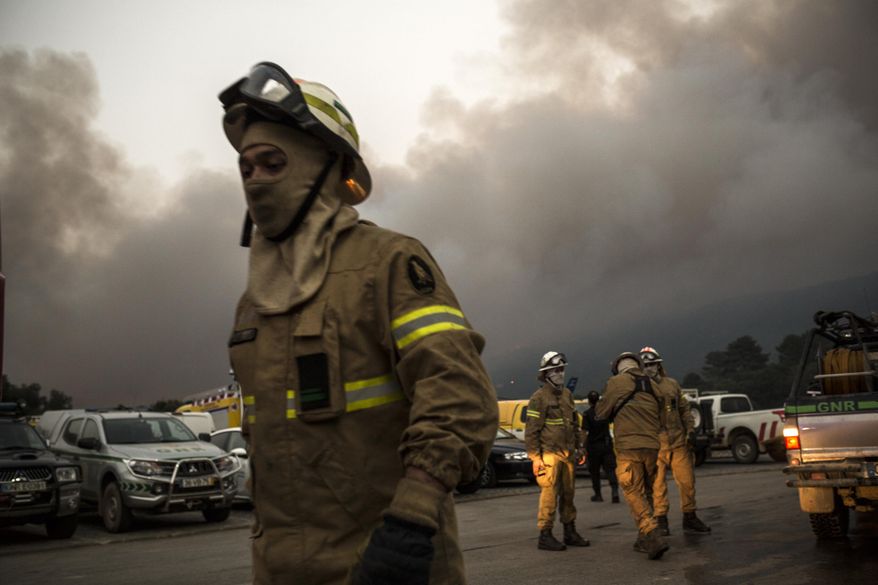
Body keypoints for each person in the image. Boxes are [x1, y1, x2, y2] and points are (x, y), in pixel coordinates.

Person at [219, 62, 499, 585]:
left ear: (323, 167)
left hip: (386, 564)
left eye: (273, 162)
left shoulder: (389, 263)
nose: (254, 180)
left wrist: (411, 522)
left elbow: (458, 394)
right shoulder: (251, 305)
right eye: (246, 167)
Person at [595, 352, 669, 560]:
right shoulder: (654, 386)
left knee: (632, 490)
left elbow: (601, 413)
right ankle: (643, 538)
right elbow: (663, 418)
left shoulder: (616, 382)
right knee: (647, 490)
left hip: (629, 447)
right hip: (652, 446)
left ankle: (652, 533)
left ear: (618, 368)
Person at [640, 346, 711, 535]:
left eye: (652, 364)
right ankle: (661, 520)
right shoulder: (640, 390)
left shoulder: (671, 384)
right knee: (657, 485)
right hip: (655, 446)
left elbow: (684, 409)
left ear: (658, 365)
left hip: (678, 441)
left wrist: (691, 430)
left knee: (687, 482)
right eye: (645, 365)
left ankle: (690, 516)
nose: (649, 368)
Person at [524, 351, 590, 551]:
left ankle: (569, 532)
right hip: (549, 456)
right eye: (556, 370)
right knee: (549, 495)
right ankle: (545, 535)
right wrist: (536, 458)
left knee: (569, 494)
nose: (560, 373)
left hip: (568, 454)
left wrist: (580, 447)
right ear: (546, 374)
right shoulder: (538, 398)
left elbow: (574, 425)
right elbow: (532, 430)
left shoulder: (567, 396)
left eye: (562, 369)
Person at [582, 390, 619, 503]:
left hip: (593, 447)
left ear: (589, 401)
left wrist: (583, 446)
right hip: (607, 445)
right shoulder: (605, 412)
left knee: (595, 472)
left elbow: (585, 432)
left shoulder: (587, 414)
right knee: (610, 470)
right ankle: (614, 492)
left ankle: (598, 495)